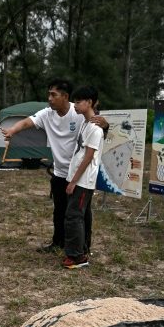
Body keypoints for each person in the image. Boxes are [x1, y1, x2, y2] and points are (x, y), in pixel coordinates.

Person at [1, 78, 107, 253]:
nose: (49, 98)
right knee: (59, 211)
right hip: (59, 172)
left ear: (65, 96)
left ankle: (84, 246)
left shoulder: (78, 111)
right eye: (48, 94)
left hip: (79, 175)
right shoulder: (46, 114)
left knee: (81, 213)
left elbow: (97, 127)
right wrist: (13, 130)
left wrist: (106, 124)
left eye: (53, 94)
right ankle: (58, 242)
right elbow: (27, 122)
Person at [62, 86, 103, 269]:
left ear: (90, 103)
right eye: (75, 102)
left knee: (74, 216)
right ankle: (82, 250)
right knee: (79, 216)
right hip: (77, 177)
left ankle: (77, 256)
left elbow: (88, 157)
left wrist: (73, 181)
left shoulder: (96, 129)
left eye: (79, 102)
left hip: (83, 180)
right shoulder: (85, 124)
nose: (75, 105)